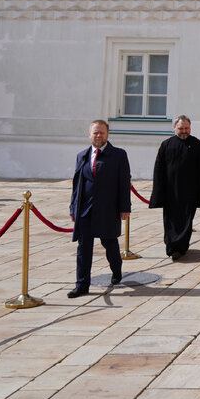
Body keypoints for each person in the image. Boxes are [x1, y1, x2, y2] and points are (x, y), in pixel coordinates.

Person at [68, 120, 132, 298]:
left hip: (108, 209)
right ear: (90, 135)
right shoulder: (82, 156)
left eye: (102, 133)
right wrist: (73, 208)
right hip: (85, 211)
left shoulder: (118, 155)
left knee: (109, 244)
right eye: (95, 133)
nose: (98, 136)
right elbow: (77, 185)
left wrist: (125, 207)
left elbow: (124, 183)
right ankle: (81, 284)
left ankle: (116, 270)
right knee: (84, 248)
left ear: (107, 134)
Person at [149, 116, 200, 259]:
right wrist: (158, 190)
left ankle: (182, 247)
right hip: (171, 191)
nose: (184, 131)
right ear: (175, 128)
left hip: (190, 191)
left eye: (186, 128)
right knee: (170, 220)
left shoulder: (197, 145)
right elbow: (159, 169)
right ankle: (171, 246)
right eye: (181, 128)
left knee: (187, 220)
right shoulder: (166, 145)